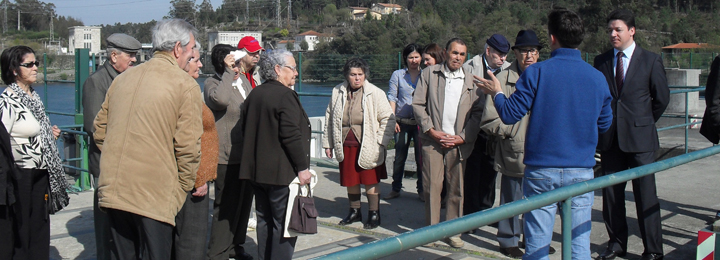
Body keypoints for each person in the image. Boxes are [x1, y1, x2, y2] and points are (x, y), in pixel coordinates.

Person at [477, 8, 613, 259]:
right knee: (579, 247)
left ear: (552, 39)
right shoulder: (597, 78)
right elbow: (605, 125)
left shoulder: (537, 73)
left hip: (541, 171)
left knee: (537, 247)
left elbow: (508, 114)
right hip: (582, 170)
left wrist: (496, 91)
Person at [93, 19, 203, 259]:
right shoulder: (185, 85)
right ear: (177, 48)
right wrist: (179, 190)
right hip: (154, 195)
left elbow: (100, 130)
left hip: (115, 190)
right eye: (191, 48)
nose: (192, 54)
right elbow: (189, 148)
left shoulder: (122, 79)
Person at [594, 9, 669, 260]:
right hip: (611, 140)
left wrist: (642, 123)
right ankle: (616, 244)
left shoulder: (650, 60)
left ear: (632, 31)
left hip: (641, 141)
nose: (613, 34)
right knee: (612, 198)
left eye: (618, 29)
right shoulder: (601, 61)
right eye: (610, 30)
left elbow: (661, 99)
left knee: (645, 196)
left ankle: (653, 250)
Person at [411, 38, 484, 248]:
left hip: (458, 143)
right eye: (454, 53)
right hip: (433, 141)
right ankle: (431, 232)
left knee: (456, 189)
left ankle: (453, 232)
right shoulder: (429, 74)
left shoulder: (472, 81)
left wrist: (463, 136)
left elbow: (478, 114)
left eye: (462, 54)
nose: (458, 58)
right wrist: (431, 131)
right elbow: (417, 105)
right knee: (432, 187)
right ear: (446, 52)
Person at [0, 45, 70, 259]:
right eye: (28, 64)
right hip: (21, 175)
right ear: (14, 69)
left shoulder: (33, 98)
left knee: (40, 228)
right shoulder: (7, 101)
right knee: (23, 231)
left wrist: (48, 134)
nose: (35, 68)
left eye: (36, 63)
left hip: (40, 173)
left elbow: (30, 129)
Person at [239, 49, 310, 260]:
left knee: (264, 221)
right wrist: (302, 168)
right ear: (278, 70)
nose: (296, 73)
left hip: (258, 173)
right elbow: (291, 135)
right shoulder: (285, 95)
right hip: (281, 173)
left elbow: (246, 129)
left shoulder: (255, 93)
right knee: (284, 225)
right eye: (292, 68)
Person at [480, 29, 542, 259]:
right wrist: (513, 132)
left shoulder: (545, 75)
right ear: (515, 53)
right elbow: (489, 118)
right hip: (514, 150)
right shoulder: (502, 78)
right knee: (511, 197)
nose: (529, 56)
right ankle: (508, 239)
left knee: (539, 199)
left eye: (533, 51)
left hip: (542, 151)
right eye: (524, 51)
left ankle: (534, 239)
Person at [81, 33, 141, 260]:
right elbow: (94, 127)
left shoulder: (129, 78)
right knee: (106, 225)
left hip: (127, 164)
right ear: (113, 56)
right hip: (107, 165)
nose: (134, 60)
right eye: (130, 56)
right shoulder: (97, 82)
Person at [323, 57, 395, 229]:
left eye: (360, 74)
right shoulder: (337, 91)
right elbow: (329, 117)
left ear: (365, 75)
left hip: (369, 144)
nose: (357, 78)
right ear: (347, 76)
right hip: (345, 142)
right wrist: (328, 142)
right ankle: (355, 211)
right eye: (353, 74)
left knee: (370, 180)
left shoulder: (376, 93)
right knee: (351, 180)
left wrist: (380, 143)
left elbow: (388, 119)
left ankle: (374, 213)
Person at [205, 44, 255, 260]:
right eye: (233, 63)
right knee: (225, 207)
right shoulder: (212, 84)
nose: (237, 67)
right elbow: (221, 101)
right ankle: (217, 252)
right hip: (226, 157)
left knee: (243, 205)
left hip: (246, 155)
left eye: (237, 64)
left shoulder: (242, 81)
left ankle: (236, 246)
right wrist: (227, 73)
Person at [172, 42, 218, 260]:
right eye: (196, 59)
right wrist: (199, 177)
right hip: (192, 182)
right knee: (191, 241)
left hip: (196, 178)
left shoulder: (188, 89)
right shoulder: (184, 92)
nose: (200, 64)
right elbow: (186, 139)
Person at [463, 34, 512, 225]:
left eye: (506, 55)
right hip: (473, 126)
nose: (503, 58)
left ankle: (486, 211)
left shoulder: (508, 70)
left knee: (491, 171)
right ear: (488, 51)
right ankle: (470, 216)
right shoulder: (469, 67)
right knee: (472, 172)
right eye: (499, 54)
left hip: (495, 128)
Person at [385, 43, 423, 201]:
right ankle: (395, 187)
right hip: (402, 122)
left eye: (416, 57)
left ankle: (422, 190)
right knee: (400, 156)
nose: (414, 60)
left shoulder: (426, 74)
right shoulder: (398, 75)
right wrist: (393, 120)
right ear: (405, 59)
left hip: (420, 123)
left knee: (421, 158)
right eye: (410, 57)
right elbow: (392, 97)